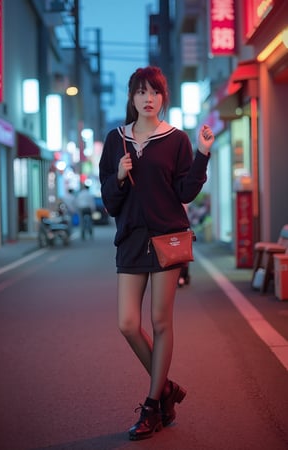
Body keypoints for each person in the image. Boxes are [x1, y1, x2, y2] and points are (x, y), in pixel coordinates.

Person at [99, 66, 214, 441]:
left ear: (163, 98)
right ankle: (166, 388)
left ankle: (152, 405)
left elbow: (184, 192)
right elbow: (109, 203)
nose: (149, 98)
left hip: (169, 238)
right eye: (141, 92)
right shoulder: (115, 140)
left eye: (156, 92)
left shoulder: (177, 139)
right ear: (131, 98)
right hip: (132, 239)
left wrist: (202, 154)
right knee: (128, 323)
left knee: (161, 321)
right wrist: (117, 176)